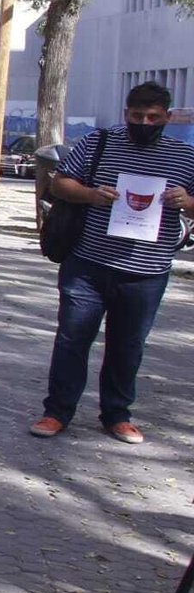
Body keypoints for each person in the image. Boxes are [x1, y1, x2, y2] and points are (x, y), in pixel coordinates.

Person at [28, 82, 194, 443]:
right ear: (126, 114)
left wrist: (188, 201)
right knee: (72, 340)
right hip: (88, 265)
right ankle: (57, 411)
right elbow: (59, 185)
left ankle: (117, 415)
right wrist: (91, 195)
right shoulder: (98, 143)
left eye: (153, 117)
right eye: (137, 116)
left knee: (128, 345)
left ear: (167, 117)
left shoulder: (185, 156)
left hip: (146, 273)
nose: (144, 122)